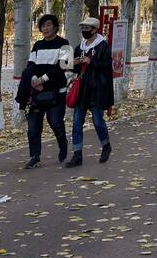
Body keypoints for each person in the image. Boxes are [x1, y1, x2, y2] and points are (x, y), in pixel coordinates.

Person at [15, 13, 69, 168]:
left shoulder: (65, 44)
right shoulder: (37, 45)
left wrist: (43, 79)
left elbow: (63, 66)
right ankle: (35, 157)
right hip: (36, 92)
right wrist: (33, 80)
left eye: (48, 25)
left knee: (56, 122)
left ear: (56, 27)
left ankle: (62, 143)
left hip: (56, 91)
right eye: (43, 26)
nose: (45, 28)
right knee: (33, 128)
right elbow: (30, 65)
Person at [65, 16, 114, 166]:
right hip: (82, 90)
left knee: (98, 121)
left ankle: (106, 145)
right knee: (77, 122)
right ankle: (77, 154)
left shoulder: (103, 46)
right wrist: (75, 63)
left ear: (94, 30)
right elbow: (75, 67)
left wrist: (92, 62)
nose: (85, 31)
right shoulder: (80, 47)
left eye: (87, 29)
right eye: (83, 29)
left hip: (97, 89)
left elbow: (107, 66)